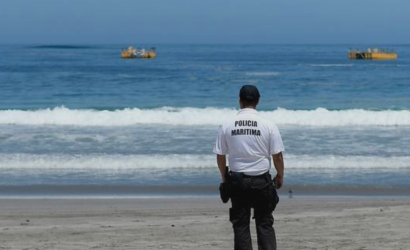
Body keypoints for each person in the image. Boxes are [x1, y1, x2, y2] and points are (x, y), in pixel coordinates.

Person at [213, 85, 285, 250]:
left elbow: (220, 155)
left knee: (240, 225)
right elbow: (277, 156)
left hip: (238, 182)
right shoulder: (268, 124)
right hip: (262, 181)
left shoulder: (227, 124)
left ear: (239, 101)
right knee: (264, 223)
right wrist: (280, 176)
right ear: (258, 101)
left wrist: (224, 178)